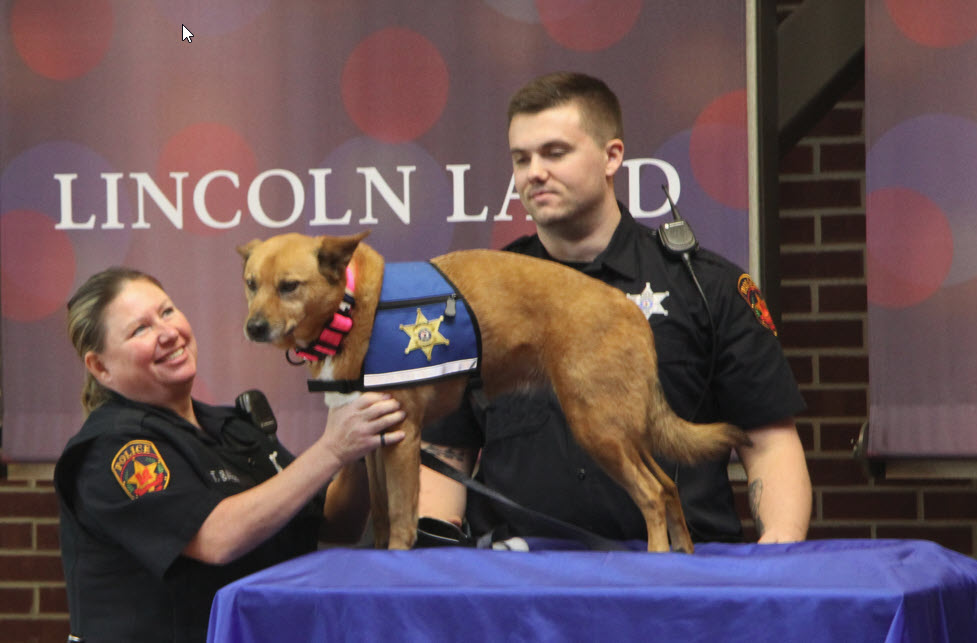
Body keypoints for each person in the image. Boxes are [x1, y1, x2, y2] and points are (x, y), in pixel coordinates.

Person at [419, 72, 811, 546]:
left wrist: (778, 555)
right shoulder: (473, 296)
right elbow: (446, 452)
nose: (533, 172)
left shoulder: (705, 285)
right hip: (520, 588)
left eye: (555, 152)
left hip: (676, 582)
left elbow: (768, 442)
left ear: (612, 157)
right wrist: (437, 569)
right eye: (521, 158)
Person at [55, 267, 406, 642]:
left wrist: (366, 443)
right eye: (140, 329)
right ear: (100, 367)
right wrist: (333, 448)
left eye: (167, 311)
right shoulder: (111, 450)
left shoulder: (232, 427)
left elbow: (337, 523)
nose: (168, 332)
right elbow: (216, 538)